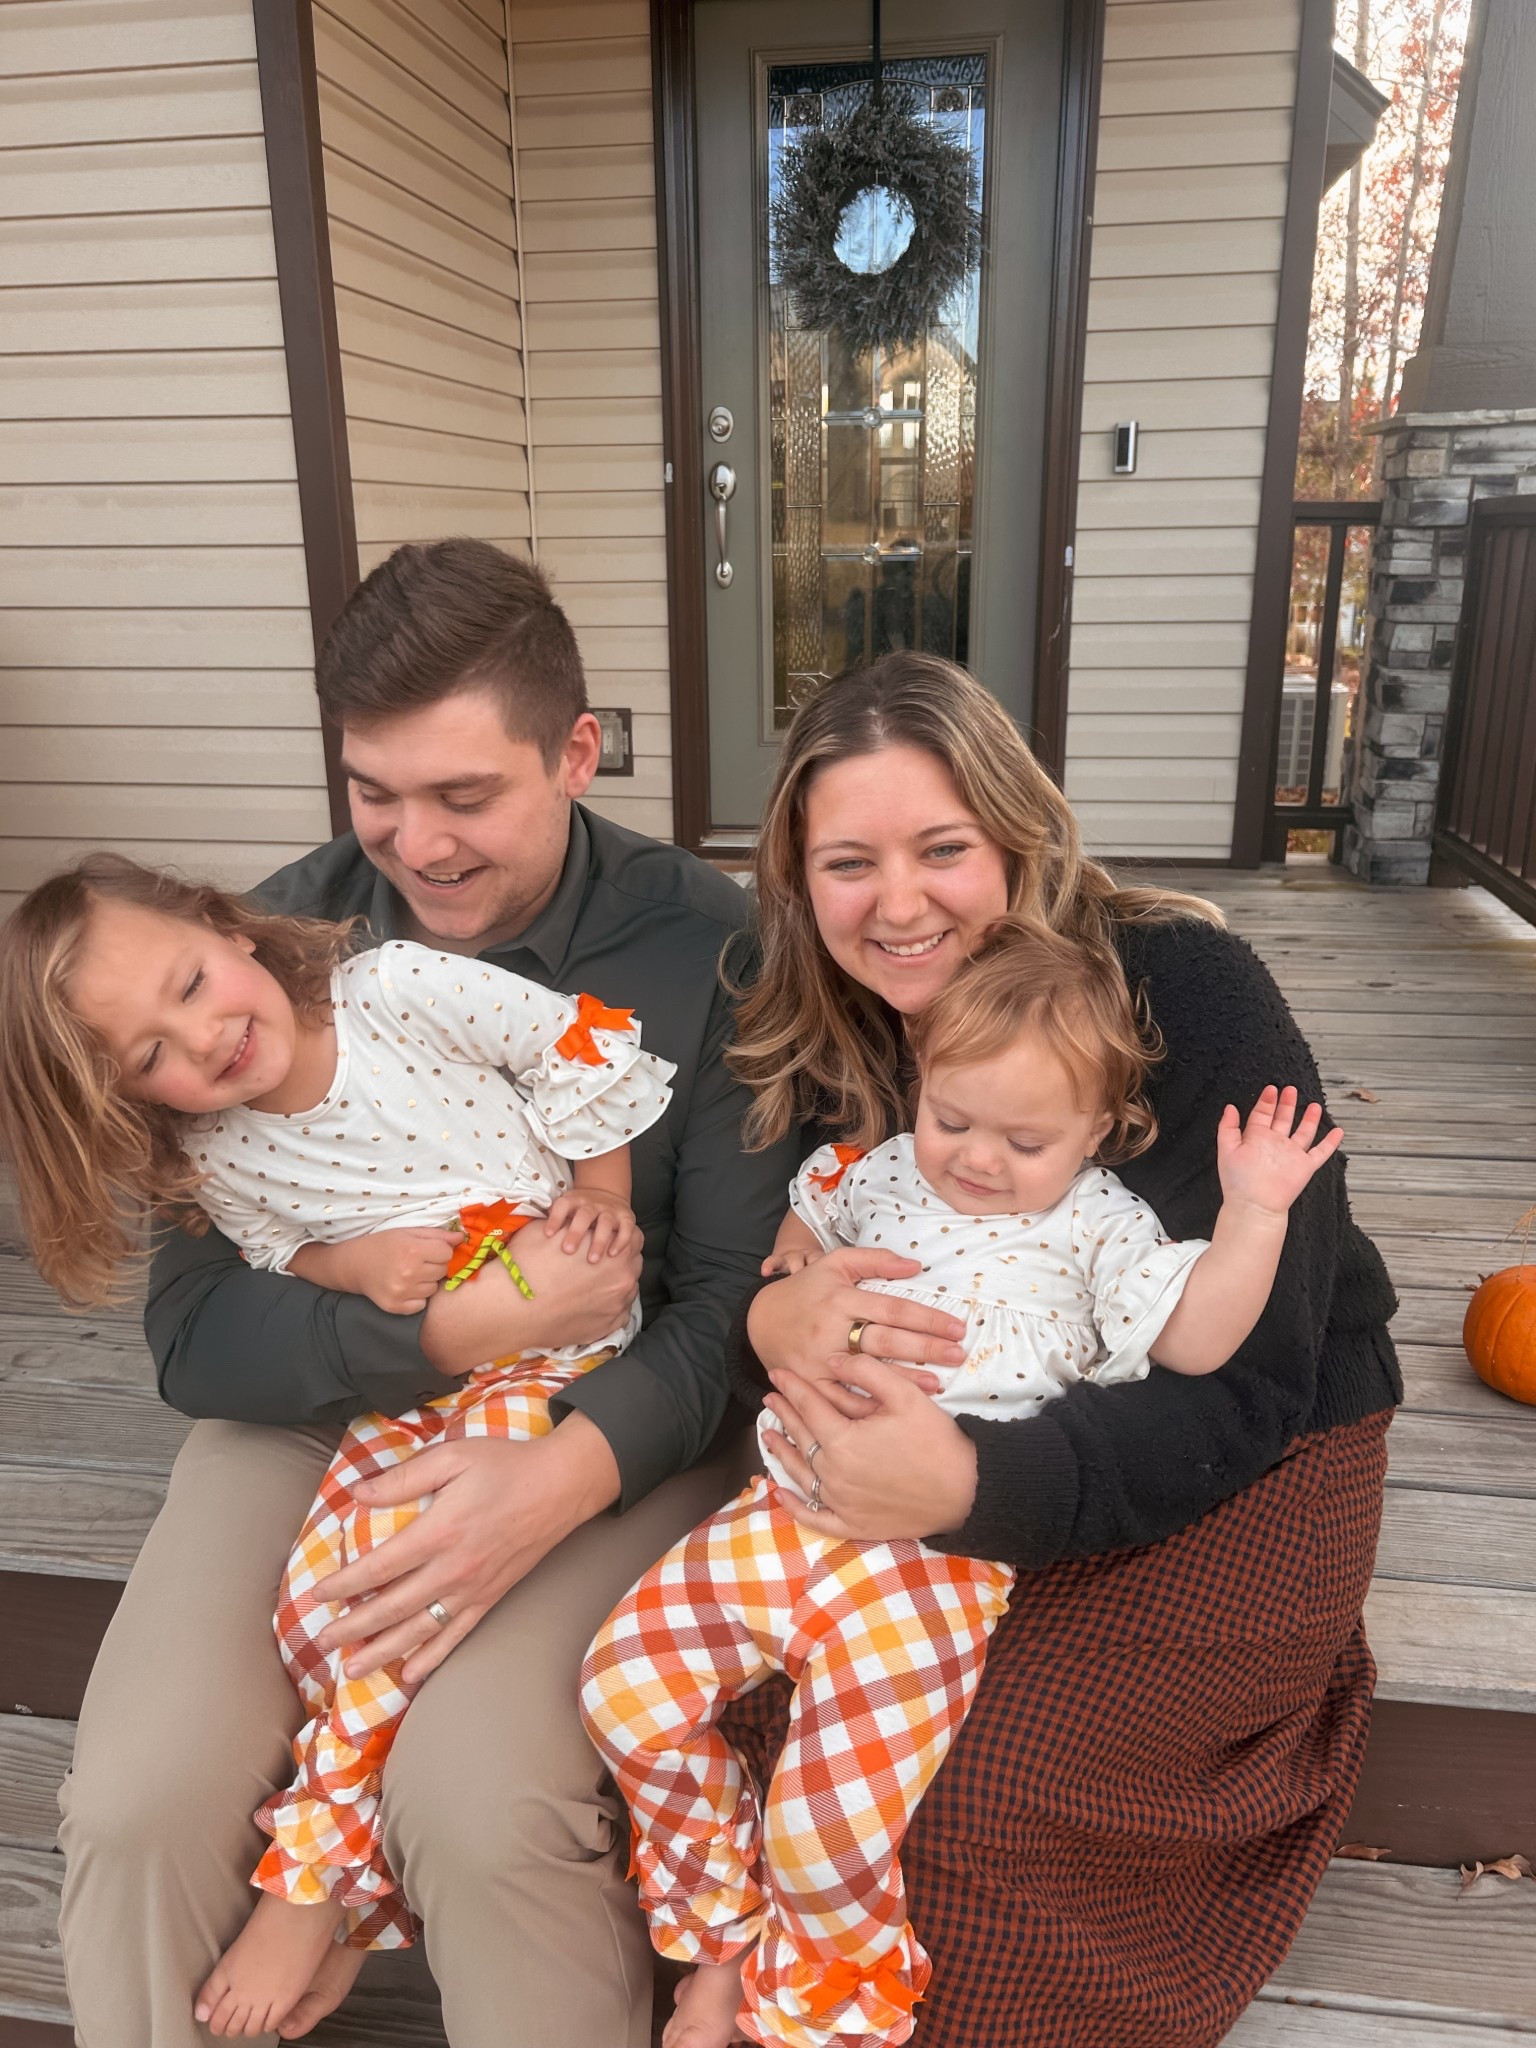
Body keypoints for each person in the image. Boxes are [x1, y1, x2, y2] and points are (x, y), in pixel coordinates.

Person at [47, 542, 801, 2048]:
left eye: (466, 798)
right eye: (374, 794)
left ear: (577, 752)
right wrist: (425, 1331)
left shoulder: (706, 950)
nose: (417, 845)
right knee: (137, 1795)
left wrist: (555, 1477)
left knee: (475, 1792)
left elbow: (724, 1306)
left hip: (605, 1402)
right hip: (333, 1399)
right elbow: (197, 1327)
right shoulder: (271, 949)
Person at [699, 653, 1400, 2048]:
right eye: (849, 862)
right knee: (776, 1714)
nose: (897, 904)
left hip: (1239, 1454)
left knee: (972, 1792)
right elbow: (752, 1273)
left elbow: (1253, 1377)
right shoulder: (830, 1033)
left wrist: (970, 1485)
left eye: (942, 849)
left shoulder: (1185, 991)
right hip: (943, 1449)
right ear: (797, 879)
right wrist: (768, 1325)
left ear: (1020, 837)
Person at [582, 919, 1345, 2048]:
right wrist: (792, 1276)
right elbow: (810, 1212)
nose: (978, 1157)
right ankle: (719, 1933)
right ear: (923, 1083)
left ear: (1099, 1128)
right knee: (623, 1695)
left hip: (925, 1569)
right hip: (780, 1515)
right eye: (953, 1116)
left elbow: (1194, 1340)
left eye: (1024, 1138)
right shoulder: (885, 1168)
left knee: (827, 1830)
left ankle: (817, 2007)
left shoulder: (1098, 1223)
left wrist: (1255, 1214)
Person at [0, 854, 678, 2036]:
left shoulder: (399, 991)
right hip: (420, 1392)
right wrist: (355, 1268)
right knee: (319, 1599)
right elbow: (271, 1249)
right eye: (152, 1052)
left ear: (233, 930)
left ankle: (308, 1885)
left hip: (559, 1351)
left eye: (194, 982)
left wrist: (603, 1195)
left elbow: (583, 1041)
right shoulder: (216, 1149)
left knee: (391, 1602)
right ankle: (349, 1886)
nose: (203, 1037)